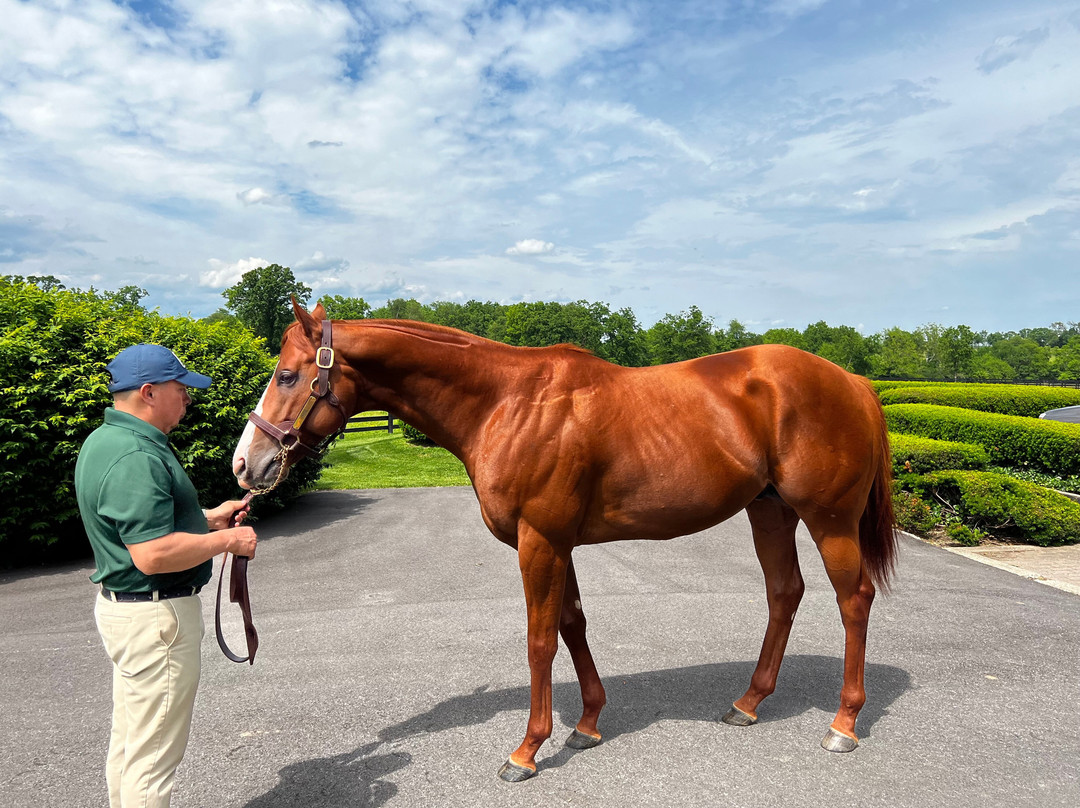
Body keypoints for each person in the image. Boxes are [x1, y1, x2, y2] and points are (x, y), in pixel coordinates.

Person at [75, 343, 258, 808]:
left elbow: (136, 526)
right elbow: (153, 554)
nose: (189, 400)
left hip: (131, 613)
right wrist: (227, 542)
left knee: (133, 747)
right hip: (157, 618)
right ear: (149, 392)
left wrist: (207, 519)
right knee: (152, 762)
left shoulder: (105, 442)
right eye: (182, 390)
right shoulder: (137, 455)